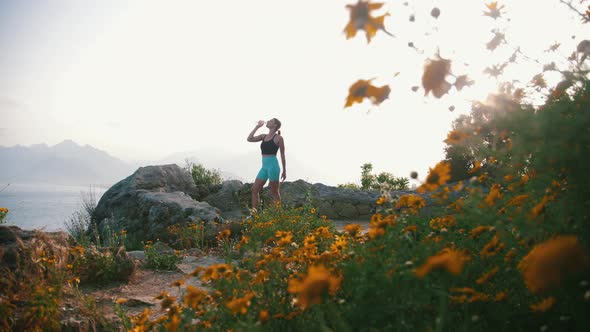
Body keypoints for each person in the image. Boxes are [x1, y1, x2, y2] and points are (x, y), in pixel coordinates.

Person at [247, 118, 286, 211]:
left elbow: (282, 154)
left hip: (273, 166)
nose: (268, 121)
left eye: (271, 121)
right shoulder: (263, 136)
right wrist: (257, 127)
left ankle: (277, 215)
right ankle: (254, 214)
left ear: (275, 125)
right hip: (264, 167)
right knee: (254, 189)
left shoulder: (279, 138)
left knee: (274, 192)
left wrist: (284, 170)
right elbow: (249, 139)